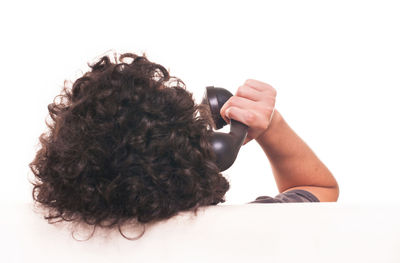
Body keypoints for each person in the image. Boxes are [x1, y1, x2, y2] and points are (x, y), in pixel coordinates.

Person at [30, 53, 338, 238]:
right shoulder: (246, 234)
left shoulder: (30, 240)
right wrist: (271, 126)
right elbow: (319, 187)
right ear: (213, 154)